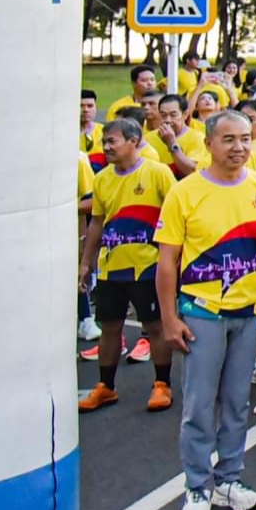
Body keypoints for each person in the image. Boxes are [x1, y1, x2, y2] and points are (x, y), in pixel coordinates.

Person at [155, 110, 256, 510]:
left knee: (235, 402)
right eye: (228, 140)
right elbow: (167, 261)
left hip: (248, 312)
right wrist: (169, 318)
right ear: (208, 143)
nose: (239, 147)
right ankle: (197, 486)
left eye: (245, 138)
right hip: (201, 312)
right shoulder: (185, 191)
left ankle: (229, 479)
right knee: (198, 404)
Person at [79, 117, 179, 413]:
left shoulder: (158, 173)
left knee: (155, 327)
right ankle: (106, 386)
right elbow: (97, 222)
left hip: (149, 267)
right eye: (104, 141)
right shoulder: (102, 179)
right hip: (112, 269)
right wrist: (87, 262)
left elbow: (177, 214)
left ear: (133, 141)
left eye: (112, 141)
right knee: (109, 327)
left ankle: (162, 384)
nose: (106, 146)